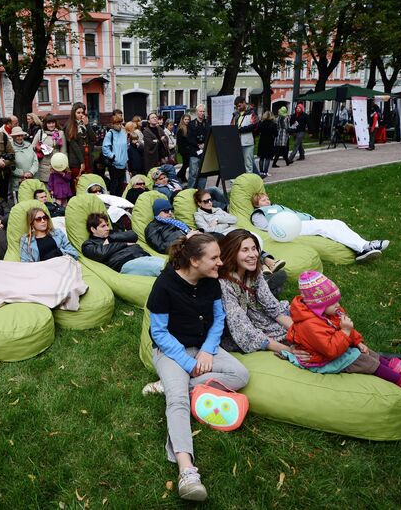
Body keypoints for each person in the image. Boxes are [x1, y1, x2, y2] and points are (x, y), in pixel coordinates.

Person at [145, 233, 249, 502]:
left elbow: (218, 320)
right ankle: (187, 471)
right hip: (171, 351)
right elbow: (159, 333)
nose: (220, 263)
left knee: (240, 374)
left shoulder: (211, 281)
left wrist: (206, 350)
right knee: (178, 400)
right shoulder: (164, 285)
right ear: (194, 260)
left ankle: (167, 386)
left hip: (203, 348)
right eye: (214, 258)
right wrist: (189, 363)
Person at [286, 271, 401, 408]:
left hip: (336, 347)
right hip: (322, 360)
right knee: (367, 362)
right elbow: (330, 350)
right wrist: (345, 332)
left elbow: (346, 329)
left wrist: (357, 341)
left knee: (374, 355)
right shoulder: (309, 325)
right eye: (333, 303)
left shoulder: (326, 312)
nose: (338, 305)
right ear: (318, 305)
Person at [217, 229, 297, 355]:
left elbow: (273, 308)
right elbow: (241, 328)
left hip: (258, 316)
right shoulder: (223, 283)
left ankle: (273, 284)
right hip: (236, 331)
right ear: (231, 252)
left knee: (306, 323)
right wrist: (287, 350)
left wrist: (300, 332)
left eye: (254, 249)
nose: (253, 254)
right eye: (245, 250)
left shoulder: (254, 273)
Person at [250, 192, 389, 262]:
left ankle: (364, 246)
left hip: (301, 223)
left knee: (336, 223)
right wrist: (283, 228)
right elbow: (266, 228)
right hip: (290, 228)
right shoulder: (259, 213)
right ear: (256, 204)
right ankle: (364, 247)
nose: (267, 201)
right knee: (324, 227)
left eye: (267, 198)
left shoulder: (275, 207)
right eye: (263, 200)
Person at [82, 212, 164, 276]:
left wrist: (111, 239)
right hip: (126, 262)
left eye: (107, 225)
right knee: (162, 268)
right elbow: (101, 253)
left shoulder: (113, 234)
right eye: (103, 226)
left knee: (172, 264)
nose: (107, 228)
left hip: (143, 255)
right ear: (93, 229)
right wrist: (125, 244)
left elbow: (133, 235)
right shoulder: (89, 244)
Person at [65, 102, 97, 183]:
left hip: (88, 159)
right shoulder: (70, 126)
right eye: (78, 113)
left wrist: (87, 125)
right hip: (77, 161)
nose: (81, 115)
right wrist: (82, 162)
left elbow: (93, 138)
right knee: (78, 184)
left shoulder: (85, 124)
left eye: (82, 112)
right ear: (74, 113)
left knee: (89, 183)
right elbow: (74, 146)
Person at [31, 114, 67, 185]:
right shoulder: (40, 132)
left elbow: (64, 151)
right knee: (45, 189)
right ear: (45, 124)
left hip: (57, 166)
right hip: (43, 167)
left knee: (56, 190)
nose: (51, 125)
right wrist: (38, 147)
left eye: (53, 123)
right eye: (49, 123)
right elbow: (32, 146)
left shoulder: (60, 133)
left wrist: (64, 166)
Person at [100, 113, 129, 195]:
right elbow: (105, 148)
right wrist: (113, 156)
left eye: (121, 123)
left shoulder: (123, 133)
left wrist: (126, 159)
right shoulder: (110, 134)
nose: (120, 125)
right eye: (118, 124)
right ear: (113, 124)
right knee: (114, 184)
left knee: (121, 185)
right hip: (114, 164)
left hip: (123, 163)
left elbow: (125, 147)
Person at [8, 126, 38, 199]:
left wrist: (31, 172)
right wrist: (22, 174)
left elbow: (35, 160)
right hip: (18, 181)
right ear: (13, 137)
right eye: (17, 136)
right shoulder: (10, 147)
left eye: (21, 135)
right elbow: (10, 165)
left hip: (32, 179)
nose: (20, 137)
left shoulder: (29, 145)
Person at [232, 96, 258, 173]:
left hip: (248, 142)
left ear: (244, 102)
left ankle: (249, 182)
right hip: (238, 142)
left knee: (248, 165)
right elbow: (232, 125)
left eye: (239, 106)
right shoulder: (236, 114)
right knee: (239, 164)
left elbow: (255, 126)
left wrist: (241, 130)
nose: (238, 108)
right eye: (237, 106)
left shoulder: (252, 112)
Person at [186, 104, 209, 189]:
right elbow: (189, 137)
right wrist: (198, 145)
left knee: (203, 173)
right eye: (200, 111)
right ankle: (190, 192)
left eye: (203, 111)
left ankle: (201, 191)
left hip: (204, 153)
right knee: (193, 174)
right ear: (196, 112)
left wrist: (204, 144)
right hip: (194, 152)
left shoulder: (207, 123)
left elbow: (209, 135)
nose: (202, 113)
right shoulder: (191, 124)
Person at [256, 111, 277, 177]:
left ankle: (261, 171)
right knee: (267, 157)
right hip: (270, 141)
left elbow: (257, 132)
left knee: (261, 157)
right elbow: (276, 134)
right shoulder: (273, 124)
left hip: (262, 141)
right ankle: (265, 172)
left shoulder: (261, 123)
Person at [176, 114, 193, 181]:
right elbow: (179, 142)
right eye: (185, 119)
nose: (187, 121)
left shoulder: (189, 127)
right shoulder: (181, 129)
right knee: (186, 164)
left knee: (186, 164)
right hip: (184, 150)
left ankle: (182, 177)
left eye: (188, 119)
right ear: (182, 120)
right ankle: (179, 175)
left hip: (188, 149)